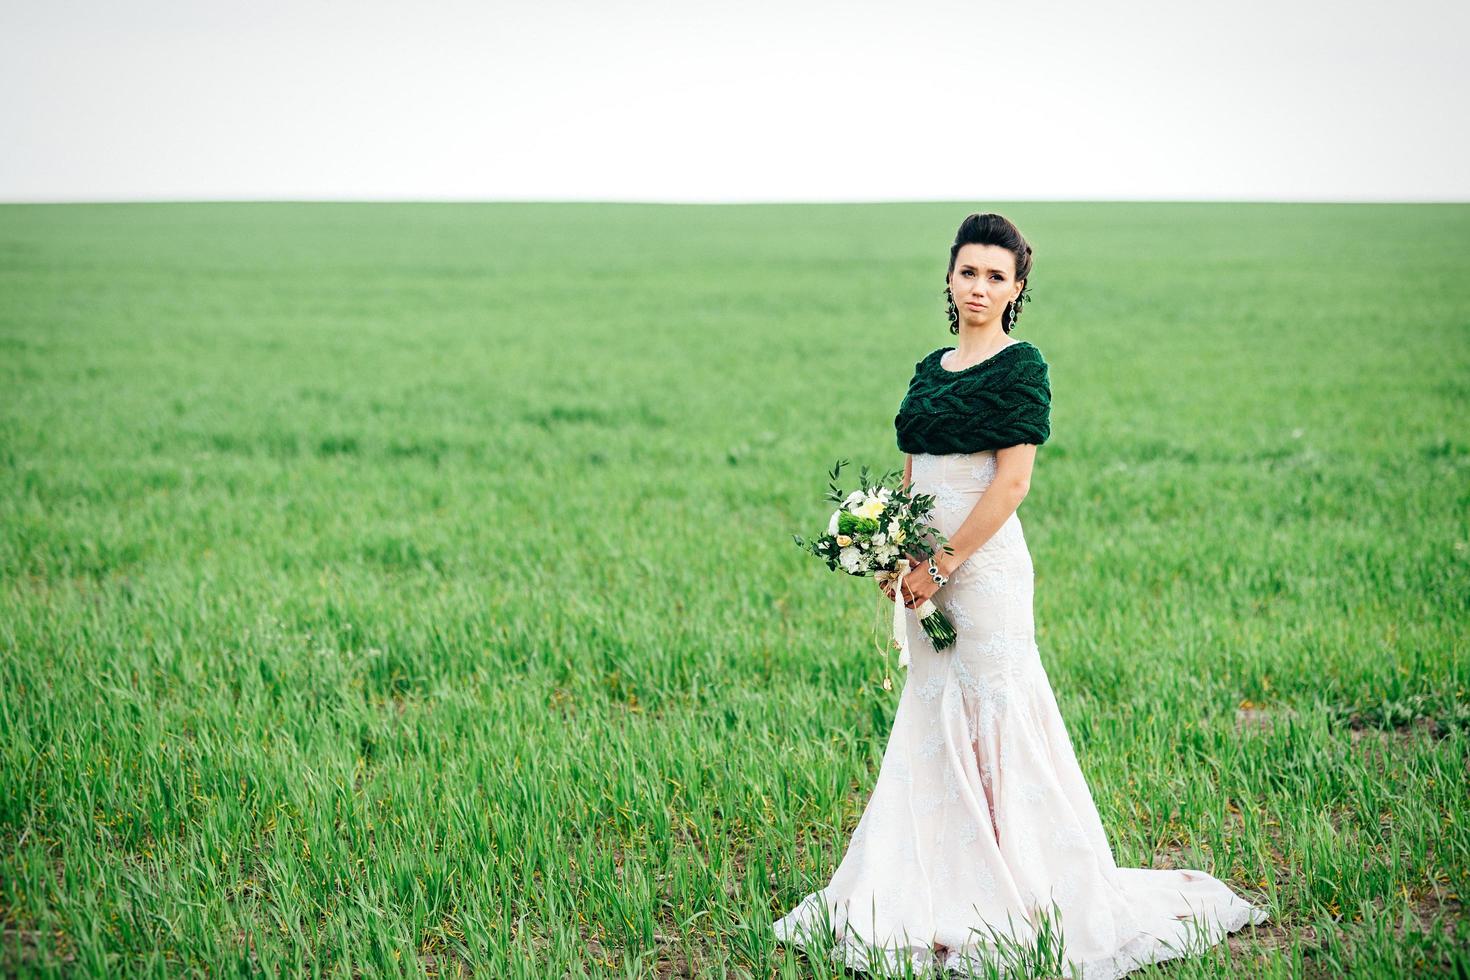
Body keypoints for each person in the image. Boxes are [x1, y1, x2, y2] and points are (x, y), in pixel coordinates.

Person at [772, 213, 1268, 977]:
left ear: (1017, 288)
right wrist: (895, 552)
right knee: (931, 715)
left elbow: (1012, 482)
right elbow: (913, 476)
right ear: (948, 277)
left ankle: (1020, 891)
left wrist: (943, 564)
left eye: (996, 276)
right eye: (968, 272)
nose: (979, 287)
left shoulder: (1021, 366)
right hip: (924, 570)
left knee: (996, 712)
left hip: (986, 574)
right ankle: (931, 886)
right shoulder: (927, 368)